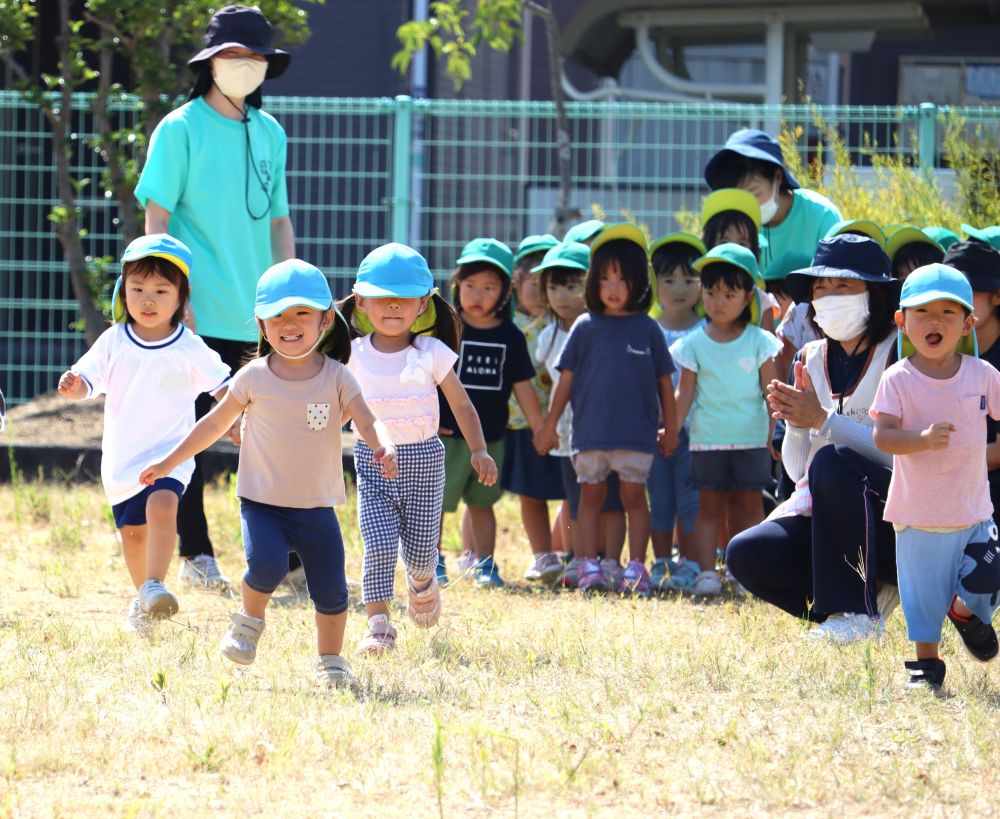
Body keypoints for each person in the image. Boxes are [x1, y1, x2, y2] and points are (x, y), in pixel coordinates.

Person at [140, 260, 396, 686]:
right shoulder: (253, 377)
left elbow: (369, 420)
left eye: (301, 313)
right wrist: (168, 461)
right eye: (276, 315)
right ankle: (248, 624)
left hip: (317, 507)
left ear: (325, 320)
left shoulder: (337, 378)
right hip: (262, 503)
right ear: (260, 323)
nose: (288, 324)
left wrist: (381, 445)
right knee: (265, 567)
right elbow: (213, 424)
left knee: (332, 591)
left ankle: (331, 659)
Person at [135, 5, 296, 590]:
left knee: (281, 438)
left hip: (262, 316)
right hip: (200, 315)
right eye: (233, 54)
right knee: (194, 440)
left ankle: (295, 560)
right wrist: (177, 301)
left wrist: (291, 293)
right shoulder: (179, 128)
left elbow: (280, 222)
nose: (245, 66)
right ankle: (196, 555)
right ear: (209, 62)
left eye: (256, 57)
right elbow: (157, 216)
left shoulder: (271, 133)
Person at [726, 235, 901, 642]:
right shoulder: (810, 358)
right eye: (821, 287)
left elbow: (899, 453)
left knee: (834, 461)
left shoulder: (899, 353)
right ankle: (840, 614)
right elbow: (798, 471)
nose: (829, 296)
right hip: (832, 517)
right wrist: (801, 425)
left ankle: (857, 611)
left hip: (899, 515)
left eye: (844, 286)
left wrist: (821, 419)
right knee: (746, 554)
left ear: (874, 294)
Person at [58, 235, 231, 632]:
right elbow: (88, 379)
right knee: (132, 536)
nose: (147, 299)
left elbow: (225, 387)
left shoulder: (189, 347)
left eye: (160, 290)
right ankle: (145, 599)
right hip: (123, 462)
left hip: (171, 456)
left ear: (182, 298)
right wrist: (75, 386)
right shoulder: (114, 341)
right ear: (123, 291)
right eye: (137, 289)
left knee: (164, 505)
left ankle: (154, 582)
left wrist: (238, 416)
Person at [339, 243, 497, 654]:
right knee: (377, 544)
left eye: (403, 300)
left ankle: (422, 581)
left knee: (422, 552)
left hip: (425, 461)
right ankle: (377, 625)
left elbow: (461, 404)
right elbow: (339, 409)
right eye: (382, 300)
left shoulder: (432, 353)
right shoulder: (351, 356)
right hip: (373, 461)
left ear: (423, 303)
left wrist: (478, 450)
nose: (392, 308)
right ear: (361, 302)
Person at [872, 264, 1000, 689]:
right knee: (922, 601)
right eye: (922, 310)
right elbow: (884, 436)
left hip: (975, 513)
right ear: (901, 321)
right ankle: (927, 667)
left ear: (967, 324)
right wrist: (922, 439)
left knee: (988, 573)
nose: (934, 320)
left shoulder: (983, 375)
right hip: (918, 515)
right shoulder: (897, 379)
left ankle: (965, 611)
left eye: (948, 312)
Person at [535, 224, 679, 595]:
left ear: (639, 283)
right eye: (604, 278)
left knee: (634, 498)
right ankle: (587, 565)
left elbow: (665, 383)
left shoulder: (648, 329)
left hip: (637, 434)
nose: (613, 288)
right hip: (589, 433)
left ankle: (635, 567)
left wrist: (672, 427)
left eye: (622, 279)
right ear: (593, 283)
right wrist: (550, 426)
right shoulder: (584, 327)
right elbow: (564, 381)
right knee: (590, 497)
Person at [671, 244, 781, 596]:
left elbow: (771, 393)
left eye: (729, 293)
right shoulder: (693, 345)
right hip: (706, 440)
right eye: (711, 292)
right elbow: (683, 394)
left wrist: (772, 433)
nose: (718, 301)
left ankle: (744, 573)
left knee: (748, 506)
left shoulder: (761, 342)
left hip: (751, 440)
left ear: (749, 296)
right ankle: (707, 572)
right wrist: (670, 430)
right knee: (709, 507)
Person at [437, 238, 542, 588]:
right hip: (446, 434)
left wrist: (540, 426)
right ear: (456, 286)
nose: (477, 295)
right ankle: (430, 562)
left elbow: (523, 385)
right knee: (435, 503)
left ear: (505, 292)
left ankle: (484, 564)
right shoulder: (445, 327)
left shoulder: (511, 336)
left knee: (483, 503)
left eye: (488, 287)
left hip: (491, 438)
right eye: (470, 286)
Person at [505, 235, 567, 582]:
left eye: (551, 283)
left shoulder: (565, 324)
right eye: (534, 283)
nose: (542, 292)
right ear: (517, 283)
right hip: (520, 422)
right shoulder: (511, 325)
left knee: (570, 490)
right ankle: (542, 554)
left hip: (565, 422)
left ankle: (571, 550)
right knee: (531, 492)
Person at [647, 233, 705, 592]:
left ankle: (691, 562)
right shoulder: (648, 329)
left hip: (697, 431)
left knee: (691, 499)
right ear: (653, 284)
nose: (679, 288)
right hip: (652, 432)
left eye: (689, 279)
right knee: (660, 500)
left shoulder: (706, 331)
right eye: (668, 280)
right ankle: (660, 562)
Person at [533, 241, 592, 586]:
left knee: (599, 496)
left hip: (599, 428)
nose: (562, 295)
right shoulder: (547, 336)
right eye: (554, 287)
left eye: (572, 286)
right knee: (572, 497)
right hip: (564, 432)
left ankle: (598, 555)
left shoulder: (598, 331)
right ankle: (575, 556)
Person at [704, 128, 842, 270]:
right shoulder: (735, 226)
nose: (749, 205)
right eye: (739, 198)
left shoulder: (822, 216)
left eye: (754, 194)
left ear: (777, 177)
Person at [946, 240, 1000, 515]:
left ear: (997, 295)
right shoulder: (935, 347)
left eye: (969, 289)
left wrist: (943, 464)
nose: (959, 300)